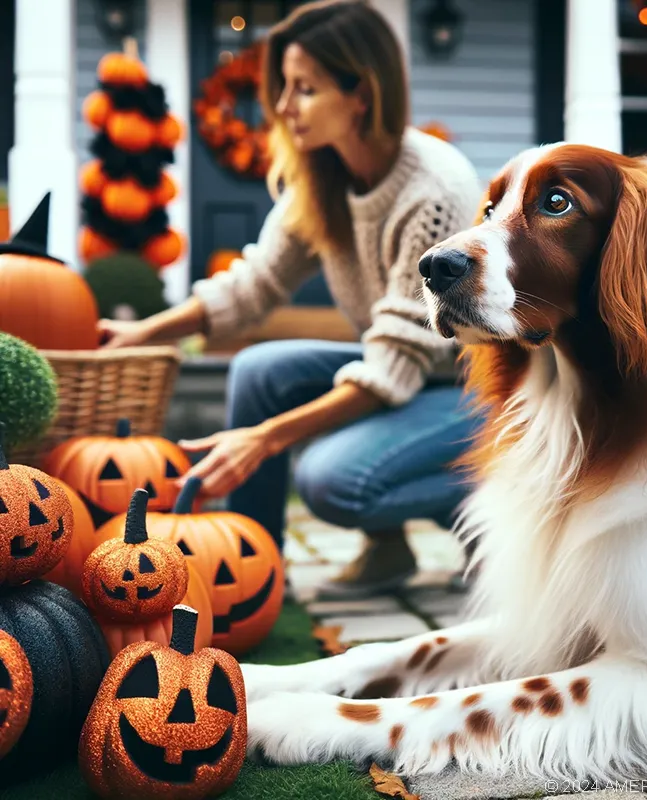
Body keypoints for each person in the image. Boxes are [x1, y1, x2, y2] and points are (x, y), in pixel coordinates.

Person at [98, 0, 484, 599]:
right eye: (284, 86)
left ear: (362, 95)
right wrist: (142, 333)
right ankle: (257, 573)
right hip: (402, 370)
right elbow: (253, 286)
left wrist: (266, 438)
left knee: (331, 479)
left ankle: (483, 498)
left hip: (468, 386)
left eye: (304, 89)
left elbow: (393, 367)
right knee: (257, 366)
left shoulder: (432, 190)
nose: (282, 107)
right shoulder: (324, 177)